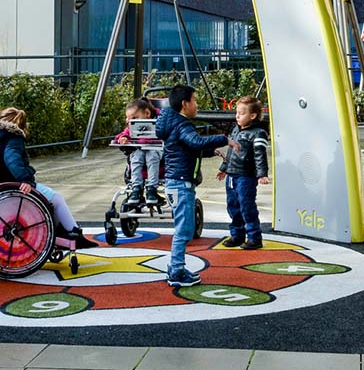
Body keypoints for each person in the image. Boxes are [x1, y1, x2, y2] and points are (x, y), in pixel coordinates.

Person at [0, 107, 99, 249]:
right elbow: (12, 160)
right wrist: (25, 179)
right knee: (56, 199)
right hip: (15, 183)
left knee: (51, 199)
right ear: (21, 125)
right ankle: (74, 234)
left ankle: (63, 231)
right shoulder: (13, 138)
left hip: (0, 183)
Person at [155, 84, 233, 287]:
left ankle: (176, 267)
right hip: (180, 184)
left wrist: (211, 151)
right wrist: (224, 139)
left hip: (177, 182)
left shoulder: (174, 124)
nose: (197, 105)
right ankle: (176, 271)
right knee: (183, 230)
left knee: (185, 229)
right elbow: (196, 142)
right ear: (184, 104)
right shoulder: (182, 125)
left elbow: (189, 147)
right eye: (195, 100)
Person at [216, 95, 270, 250]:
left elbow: (260, 155)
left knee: (246, 206)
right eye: (237, 113)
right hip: (232, 175)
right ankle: (237, 235)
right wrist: (224, 168)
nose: (237, 116)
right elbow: (231, 152)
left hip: (246, 176)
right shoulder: (235, 131)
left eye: (241, 113)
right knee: (232, 205)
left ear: (252, 116)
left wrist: (262, 174)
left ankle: (254, 237)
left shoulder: (258, 133)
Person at [116, 97, 163, 210]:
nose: (131, 121)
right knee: (135, 157)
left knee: (152, 156)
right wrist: (122, 138)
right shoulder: (132, 126)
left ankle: (152, 188)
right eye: (128, 119)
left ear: (147, 113)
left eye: (134, 118)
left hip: (157, 151)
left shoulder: (160, 121)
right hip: (140, 150)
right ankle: (136, 187)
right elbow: (124, 134)